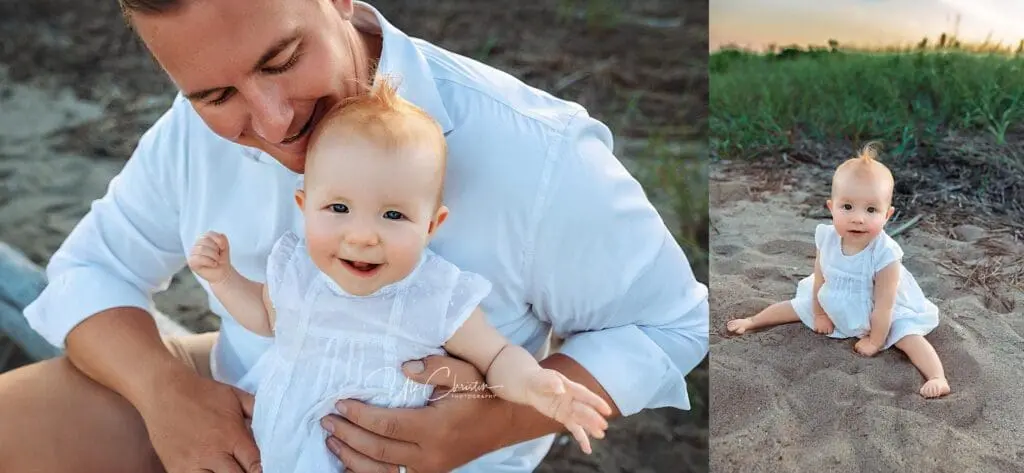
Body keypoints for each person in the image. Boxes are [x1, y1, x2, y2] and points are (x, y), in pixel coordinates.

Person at [0, 1, 709, 472]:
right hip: (237, 404)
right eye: (217, 96)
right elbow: (89, 269)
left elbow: (669, 321)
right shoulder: (192, 129)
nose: (272, 121)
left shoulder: (536, 155)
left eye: (281, 61)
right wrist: (162, 393)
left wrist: (489, 424)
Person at [187, 76, 613, 472]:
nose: (362, 236)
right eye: (338, 208)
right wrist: (225, 278)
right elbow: (267, 320)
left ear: (431, 226)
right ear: (304, 207)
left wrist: (535, 386)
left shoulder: (433, 294)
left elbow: (497, 356)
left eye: (393, 214)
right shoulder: (298, 273)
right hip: (280, 450)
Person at [725, 143, 950, 399]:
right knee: (796, 306)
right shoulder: (827, 237)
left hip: (880, 310)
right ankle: (754, 321)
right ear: (831, 207)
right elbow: (820, 276)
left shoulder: (885, 253)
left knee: (907, 336)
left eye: (871, 210)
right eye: (847, 207)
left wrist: (875, 341)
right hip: (836, 296)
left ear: (887, 215)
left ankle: (937, 376)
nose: (858, 218)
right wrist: (821, 313)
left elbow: (885, 305)